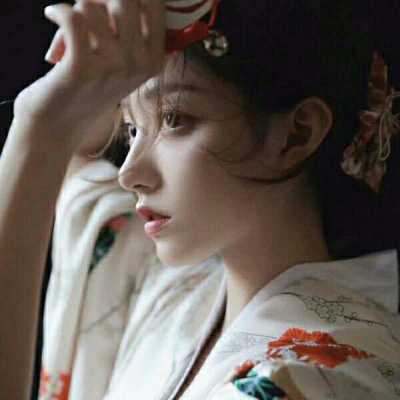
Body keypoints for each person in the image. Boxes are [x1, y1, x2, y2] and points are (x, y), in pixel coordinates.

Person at [0, 0, 399, 399]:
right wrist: (43, 120)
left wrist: (39, 132)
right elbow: (68, 170)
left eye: (174, 119)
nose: (128, 173)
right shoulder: (172, 289)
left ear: (297, 134)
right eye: (131, 130)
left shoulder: (304, 377)